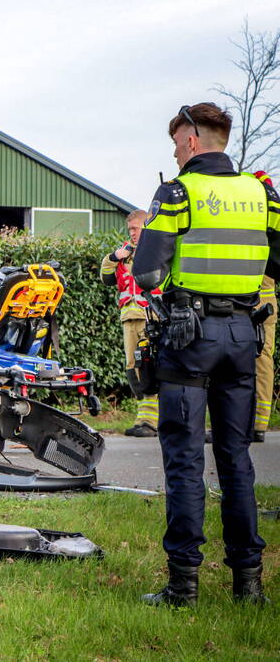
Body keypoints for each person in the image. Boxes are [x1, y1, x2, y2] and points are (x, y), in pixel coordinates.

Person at [132, 102, 276, 606]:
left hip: (188, 337)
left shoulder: (178, 192)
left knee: (185, 459)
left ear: (192, 140)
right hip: (243, 335)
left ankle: (183, 585)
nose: (173, 153)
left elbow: (146, 273)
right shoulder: (261, 191)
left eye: (175, 143)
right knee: (236, 459)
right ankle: (248, 584)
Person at [101, 209, 160, 437]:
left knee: (150, 368)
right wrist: (113, 257)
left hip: (152, 318)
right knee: (133, 369)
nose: (133, 233)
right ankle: (143, 419)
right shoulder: (124, 253)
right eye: (130, 230)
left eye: (136, 228)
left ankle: (151, 421)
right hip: (129, 318)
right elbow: (106, 278)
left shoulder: (156, 250)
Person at [253, 172, 276, 443]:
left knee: (260, 363)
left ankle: (258, 424)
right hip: (256, 304)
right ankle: (255, 423)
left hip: (259, 306)